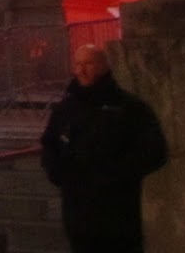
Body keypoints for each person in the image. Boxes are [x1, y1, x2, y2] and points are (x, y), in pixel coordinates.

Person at [40, 44, 169, 253]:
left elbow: (154, 152)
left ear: (103, 66)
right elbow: (49, 144)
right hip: (78, 212)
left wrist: (115, 176)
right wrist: (58, 173)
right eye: (78, 64)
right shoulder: (66, 109)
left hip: (117, 213)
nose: (81, 70)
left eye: (88, 64)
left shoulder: (129, 108)